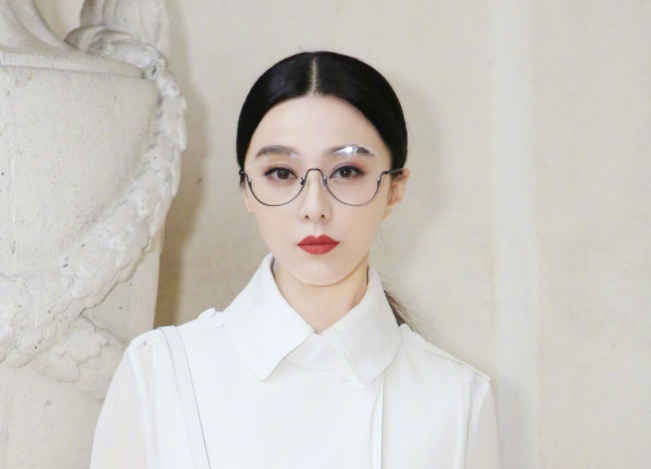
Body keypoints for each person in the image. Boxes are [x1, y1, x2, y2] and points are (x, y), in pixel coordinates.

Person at [90, 51, 500, 469]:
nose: (314, 208)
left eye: (346, 171)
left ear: (395, 188)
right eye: (282, 173)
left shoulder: (458, 398)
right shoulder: (161, 372)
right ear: (246, 189)